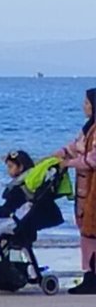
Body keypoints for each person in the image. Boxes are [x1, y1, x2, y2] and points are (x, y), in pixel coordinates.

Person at [54, 87, 96, 291]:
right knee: (85, 230)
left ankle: (91, 276)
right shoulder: (87, 128)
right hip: (84, 190)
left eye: (87, 103)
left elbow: (92, 160)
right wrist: (55, 156)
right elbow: (73, 147)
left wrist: (68, 164)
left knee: (90, 232)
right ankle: (88, 273)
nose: (84, 106)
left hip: (92, 189)